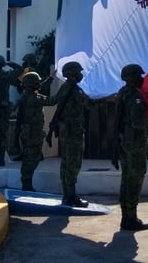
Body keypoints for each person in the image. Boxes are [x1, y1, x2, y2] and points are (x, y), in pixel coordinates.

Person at [45, 61, 100, 207]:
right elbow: (90, 105)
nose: (81, 74)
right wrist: (104, 95)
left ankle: (67, 194)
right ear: (73, 74)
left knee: (66, 163)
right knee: (73, 164)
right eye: (78, 72)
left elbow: (53, 101)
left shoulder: (65, 87)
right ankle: (71, 196)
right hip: (73, 132)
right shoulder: (75, 90)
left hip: (65, 130)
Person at [113, 63, 148, 232]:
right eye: (138, 76)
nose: (141, 78)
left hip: (124, 141)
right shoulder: (135, 96)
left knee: (126, 178)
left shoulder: (122, 93)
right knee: (135, 179)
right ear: (132, 78)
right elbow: (138, 122)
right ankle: (131, 218)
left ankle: (125, 217)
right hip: (135, 142)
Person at [15, 71, 56, 191]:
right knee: (32, 159)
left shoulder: (26, 95)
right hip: (33, 134)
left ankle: (26, 182)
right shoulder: (34, 98)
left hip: (28, 133)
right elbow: (52, 101)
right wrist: (65, 91)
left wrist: (50, 79)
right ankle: (27, 184)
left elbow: (39, 90)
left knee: (29, 158)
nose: (38, 83)